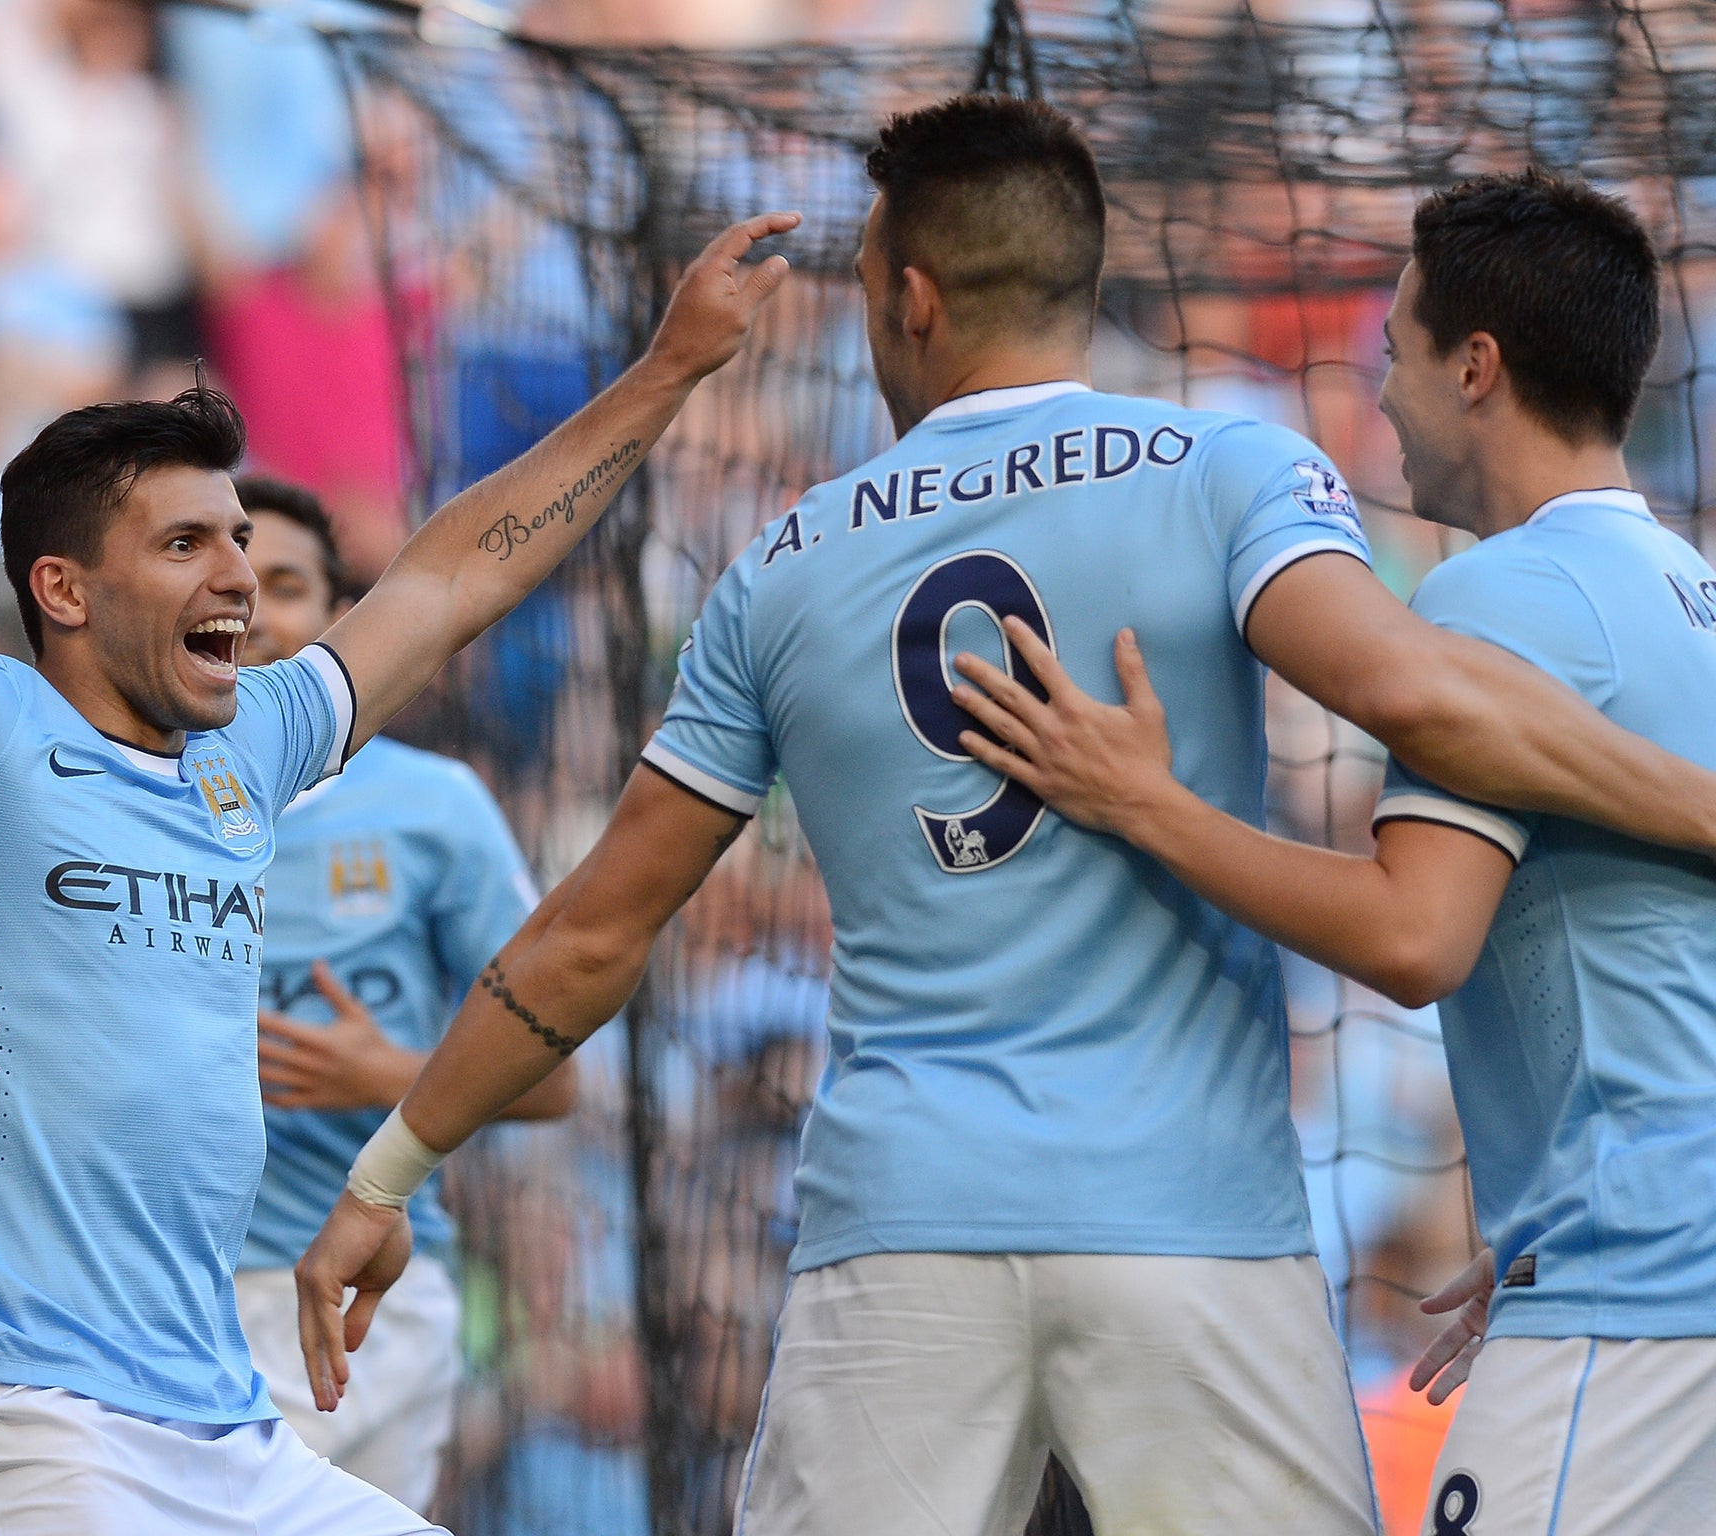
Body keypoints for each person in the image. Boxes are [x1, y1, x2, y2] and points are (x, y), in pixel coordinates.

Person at [293, 98, 1716, 1536]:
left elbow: (594, 933)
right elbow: (1422, 694)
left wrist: (388, 1168)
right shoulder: (1234, 470)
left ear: (908, 299)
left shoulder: (780, 562)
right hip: (1194, 1224)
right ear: (1082, 284)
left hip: (905, 1229)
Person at [0, 210, 797, 1535]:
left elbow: (445, 583)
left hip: (227, 1423)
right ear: (65, 589)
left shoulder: (248, 747)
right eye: (189, 544)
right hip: (35, 1425)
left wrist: (667, 372)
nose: (241, 581)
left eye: (240, 544)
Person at [950, 171, 1716, 1536]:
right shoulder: (1698, 600)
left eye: (1395, 359)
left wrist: (1150, 806)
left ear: (1475, 369)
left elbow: (1413, 942)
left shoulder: (1502, 590)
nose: (1383, 402)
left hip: (1641, 1289)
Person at [231, 472, 574, 1512]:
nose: (250, 610)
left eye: (283, 584)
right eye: (227, 583)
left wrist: (384, 1073)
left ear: (340, 620)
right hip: (164, 1287)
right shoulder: (119, 802)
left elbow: (552, 1082)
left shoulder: (433, 808)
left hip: (366, 1286)